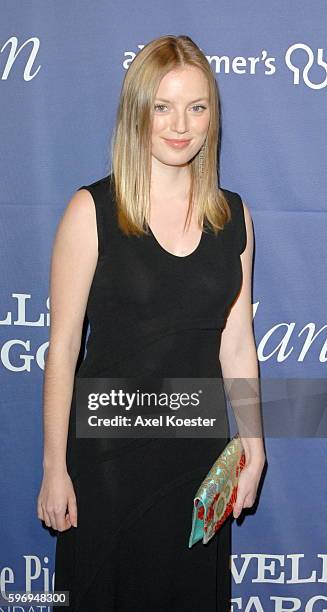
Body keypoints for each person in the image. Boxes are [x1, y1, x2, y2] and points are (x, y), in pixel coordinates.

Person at [37, 34, 266, 611]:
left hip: (196, 462)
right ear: (136, 111)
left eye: (196, 107)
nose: (179, 125)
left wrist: (254, 447)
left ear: (212, 115)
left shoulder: (233, 216)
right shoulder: (91, 211)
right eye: (162, 107)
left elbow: (237, 345)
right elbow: (62, 349)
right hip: (108, 463)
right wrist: (54, 467)